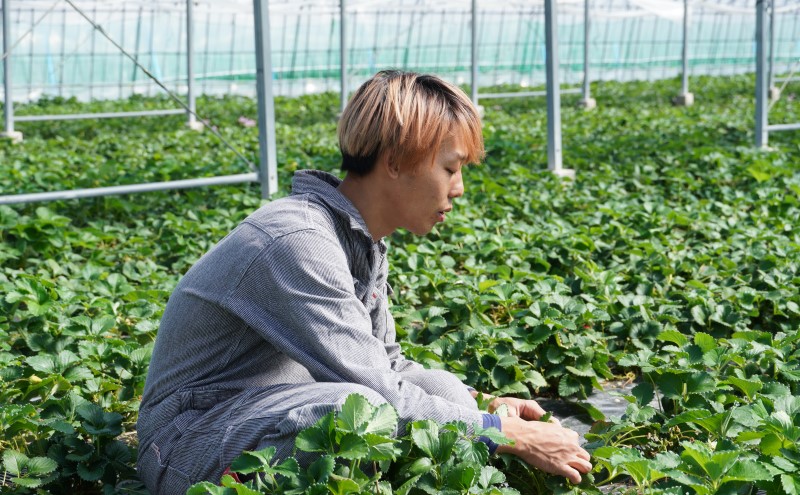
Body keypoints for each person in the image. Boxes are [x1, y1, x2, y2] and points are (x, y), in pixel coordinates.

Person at [135, 70, 591, 494]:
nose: (459, 188)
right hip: (189, 441)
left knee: (445, 390)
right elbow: (378, 392)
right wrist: (507, 434)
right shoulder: (298, 241)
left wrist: (484, 404)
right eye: (450, 168)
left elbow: (389, 366)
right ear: (394, 162)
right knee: (356, 412)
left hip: (268, 410)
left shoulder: (360, 241)